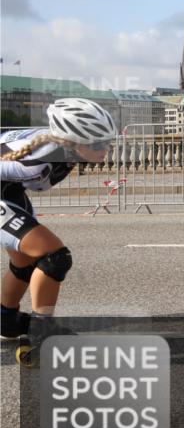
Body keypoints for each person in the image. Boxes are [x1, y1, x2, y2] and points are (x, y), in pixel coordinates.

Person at [0, 98, 117, 342]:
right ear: (74, 142)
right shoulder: (36, 163)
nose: (105, 150)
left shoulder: (62, 148)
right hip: (6, 191)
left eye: (108, 143)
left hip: (9, 192)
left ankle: (6, 318)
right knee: (55, 257)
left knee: (27, 262)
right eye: (97, 144)